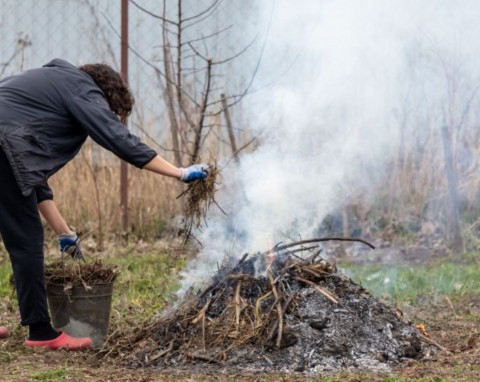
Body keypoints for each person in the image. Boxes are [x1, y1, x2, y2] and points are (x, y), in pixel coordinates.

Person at [0, 58, 209, 350]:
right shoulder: (81, 88)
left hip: (6, 150)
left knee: (20, 232)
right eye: (112, 112)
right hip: (4, 149)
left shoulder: (47, 88)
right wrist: (179, 172)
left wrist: (64, 232)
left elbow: (29, 179)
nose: (109, 116)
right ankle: (41, 333)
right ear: (105, 95)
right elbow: (117, 138)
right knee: (26, 241)